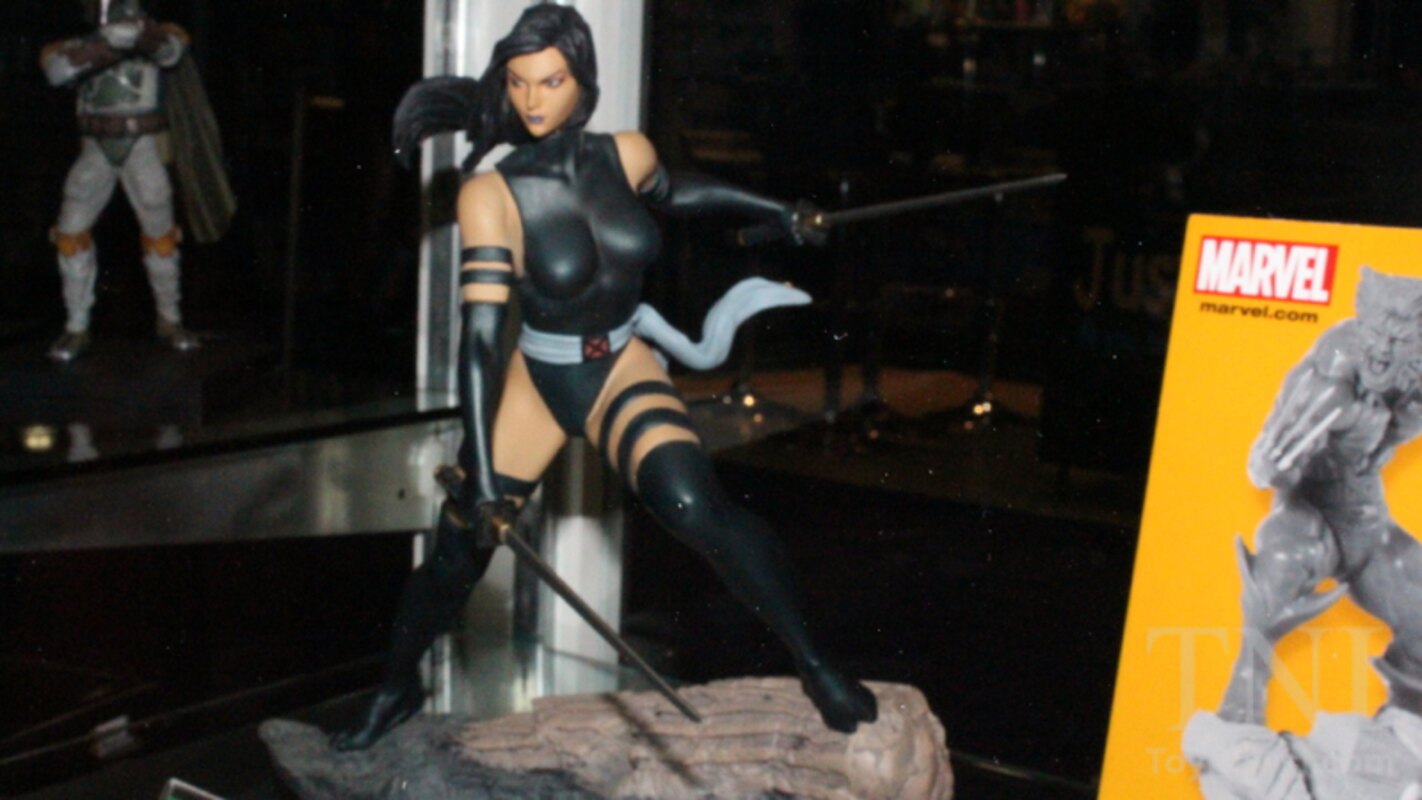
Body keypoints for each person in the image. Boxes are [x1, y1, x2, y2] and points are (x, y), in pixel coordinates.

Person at [333, 4, 877, 751]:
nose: (532, 100)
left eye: (550, 81)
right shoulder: (491, 195)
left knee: (693, 504)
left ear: (581, 82)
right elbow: (482, 343)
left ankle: (816, 665)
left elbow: (674, 193)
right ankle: (396, 686)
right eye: (518, 82)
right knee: (460, 550)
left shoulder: (626, 153)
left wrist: (778, 210)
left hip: (618, 361)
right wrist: (482, 474)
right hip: (541, 377)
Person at [1219, 267, 1422, 723]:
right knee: (1283, 563)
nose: (1382, 349)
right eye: (1376, 333)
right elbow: (1272, 466)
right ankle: (1241, 702)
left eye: (1398, 340)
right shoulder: (1334, 369)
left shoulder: (1415, 379)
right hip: (1307, 509)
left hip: (1365, 519)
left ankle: (1408, 721)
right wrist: (1275, 461)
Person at [41, 0, 200, 362]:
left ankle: (170, 320)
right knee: (70, 234)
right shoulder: (74, 46)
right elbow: (56, 71)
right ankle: (76, 325)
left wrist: (138, 37)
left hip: (142, 146)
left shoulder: (158, 35)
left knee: (161, 236)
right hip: (95, 148)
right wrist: (104, 44)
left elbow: (170, 52)